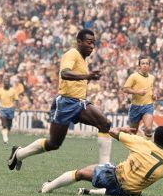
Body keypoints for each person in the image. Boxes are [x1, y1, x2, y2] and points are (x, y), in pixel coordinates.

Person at [8, 29, 113, 170]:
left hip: (80, 103)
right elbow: (64, 73)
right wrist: (87, 76)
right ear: (79, 42)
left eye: (94, 43)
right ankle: (19, 153)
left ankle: (103, 168)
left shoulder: (83, 58)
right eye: (89, 43)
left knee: (105, 124)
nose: (92, 46)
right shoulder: (72, 54)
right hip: (66, 103)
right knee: (54, 143)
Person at [39, 126, 163, 196]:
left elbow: (112, 132)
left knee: (80, 173)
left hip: (113, 178)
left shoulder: (140, 141)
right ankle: (90, 192)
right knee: (135, 189)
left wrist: (123, 130)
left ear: (154, 137)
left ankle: (47, 188)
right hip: (129, 192)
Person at [123, 55, 156, 138]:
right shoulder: (133, 76)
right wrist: (137, 92)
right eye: (143, 63)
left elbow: (151, 88)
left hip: (148, 106)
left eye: (147, 64)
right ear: (139, 66)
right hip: (135, 107)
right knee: (133, 132)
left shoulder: (152, 77)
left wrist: (153, 95)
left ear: (149, 66)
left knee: (148, 129)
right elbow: (125, 89)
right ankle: (134, 149)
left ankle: (146, 148)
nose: (145, 65)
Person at [0, 77, 19, 145]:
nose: (6, 83)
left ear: (9, 83)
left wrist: (17, 108)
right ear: (3, 83)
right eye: (5, 82)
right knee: (4, 124)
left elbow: (16, 100)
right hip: (3, 109)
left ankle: (6, 135)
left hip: (11, 109)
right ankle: (5, 138)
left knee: (9, 126)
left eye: (8, 82)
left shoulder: (13, 91)